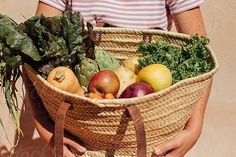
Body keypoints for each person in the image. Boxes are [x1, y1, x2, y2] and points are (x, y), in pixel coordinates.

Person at [24, 0, 213, 157]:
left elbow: (201, 56)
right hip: (80, 139)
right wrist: (46, 129)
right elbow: (34, 57)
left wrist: (193, 129)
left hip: (149, 137)